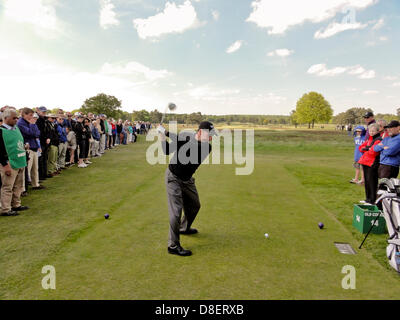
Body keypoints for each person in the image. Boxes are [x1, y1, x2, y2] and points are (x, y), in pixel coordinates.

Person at [158, 121, 218, 256]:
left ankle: (183, 228)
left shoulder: (206, 148)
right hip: (173, 178)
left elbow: (184, 141)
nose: (211, 137)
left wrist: (166, 132)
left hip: (187, 180)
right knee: (176, 212)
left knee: (195, 205)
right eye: (210, 134)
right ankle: (173, 246)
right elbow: (166, 150)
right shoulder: (186, 139)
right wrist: (162, 135)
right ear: (200, 132)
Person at [0, 108, 29, 216]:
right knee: (7, 187)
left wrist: (25, 147)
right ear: (6, 118)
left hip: (20, 161)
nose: (16, 120)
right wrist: (5, 165)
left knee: (18, 186)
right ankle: (5, 209)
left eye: (17, 117)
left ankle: (16, 204)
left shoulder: (16, 128)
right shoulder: (1, 131)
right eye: (14, 118)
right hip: (9, 164)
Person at [17, 108, 44, 190]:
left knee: (35, 168)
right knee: (26, 170)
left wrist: (33, 127)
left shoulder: (30, 122)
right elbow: (30, 133)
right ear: (24, 114)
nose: (32, 117)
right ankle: (23, 189)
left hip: (34, 146)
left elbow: (38, 133)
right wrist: (32, 125)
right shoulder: (21, 123)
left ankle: (35, 184)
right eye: (30, 115)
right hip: (28, 147)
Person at [358, 123, 382, 205]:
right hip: (365, 162)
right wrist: (367, 148)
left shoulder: (378, 139)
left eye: (373, 131)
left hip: (372, 163)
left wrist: (367, 149)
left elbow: (373, 152)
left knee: (372, 182)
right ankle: (367, 199)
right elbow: (360, 147)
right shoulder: (369, 139)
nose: (371, 132)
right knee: (367, 181)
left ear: (377, 131)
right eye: (370, 131)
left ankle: (372, 200)